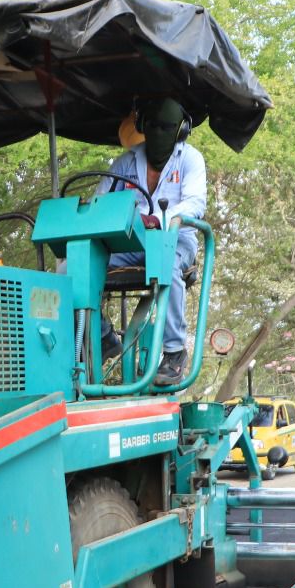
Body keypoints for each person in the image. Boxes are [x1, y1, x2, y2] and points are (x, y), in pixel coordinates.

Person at [101, 97, 206, 385]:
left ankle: (173, 352)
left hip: (175, 240)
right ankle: (103, 338)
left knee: (165, 258)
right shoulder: (125, 162)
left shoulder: (190, 159)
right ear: (142, 126)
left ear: (181, 130)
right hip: (131, 244)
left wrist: (161, 219)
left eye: (167, 127)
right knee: (71, 268)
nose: (159, 133)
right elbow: (101, 202)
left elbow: (196, 203)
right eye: (153, 126)